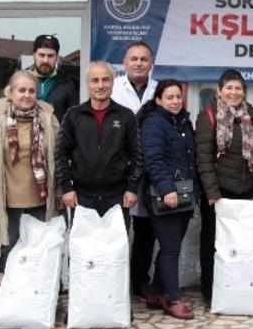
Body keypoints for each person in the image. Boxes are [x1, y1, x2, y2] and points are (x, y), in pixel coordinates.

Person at [0, 70, 61, 271]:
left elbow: (58, 158)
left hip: (41, 200)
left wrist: (59, 191)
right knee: (11, 252)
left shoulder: (48, 118)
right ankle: (11, 289)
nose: (27, 95)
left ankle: (38, 289)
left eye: (31, 91)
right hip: (7, 201)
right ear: (10, 93)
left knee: (40, 253)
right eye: (21, 90)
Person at [196, 69, 253, 306]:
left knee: (241, 246)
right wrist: (212, 192)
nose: (234, 93)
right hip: (218, 194)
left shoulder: (252, 116)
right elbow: (204, 159)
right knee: (213, 244)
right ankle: (210, 290)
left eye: (238, 88)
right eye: (229, 88)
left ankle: (238, 288)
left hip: (246, 193)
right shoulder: (208, 116)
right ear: (219, 91)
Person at [57, 62, 143, 229]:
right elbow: (60, 153)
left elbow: (137, 155)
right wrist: (66, 187)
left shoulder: (126, 116)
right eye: (95, 80)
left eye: (105, 80)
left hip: (118, 197)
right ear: (87, 83)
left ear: (113, 82)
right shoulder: (74, 115)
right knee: (83, 245)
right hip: (81, 197)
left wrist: (133, 188)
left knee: (116, 246)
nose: (100, 85)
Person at [138, 80, 197, 320]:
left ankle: (157, 292)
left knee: (170, 247)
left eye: (178, 97)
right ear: (159, 100)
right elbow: (153, 160)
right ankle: (173, 299)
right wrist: (166, 189)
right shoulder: (154, 123)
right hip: (166, 197)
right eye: (170, 97)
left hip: (185, 196)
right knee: (171, 249)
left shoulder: (183, 122)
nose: (175, 101)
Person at [111, 42, 159, 299]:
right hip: (120, 169)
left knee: (145, 230)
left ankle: (140, 280)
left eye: (143, 59)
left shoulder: (159, 90)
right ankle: (116, 282)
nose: (139, 63)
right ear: (125, 63)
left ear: (151, 63)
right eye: (134, 59)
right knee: (118, 228)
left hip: (151, 167)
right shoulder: (113, 88)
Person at [27, 34, 78, 123]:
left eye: (50, 56)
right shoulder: (20, 80)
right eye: (41, 55)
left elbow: (73, 120)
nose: (45, 60)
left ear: (57, 57)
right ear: (34, 55)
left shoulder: (67, 84)